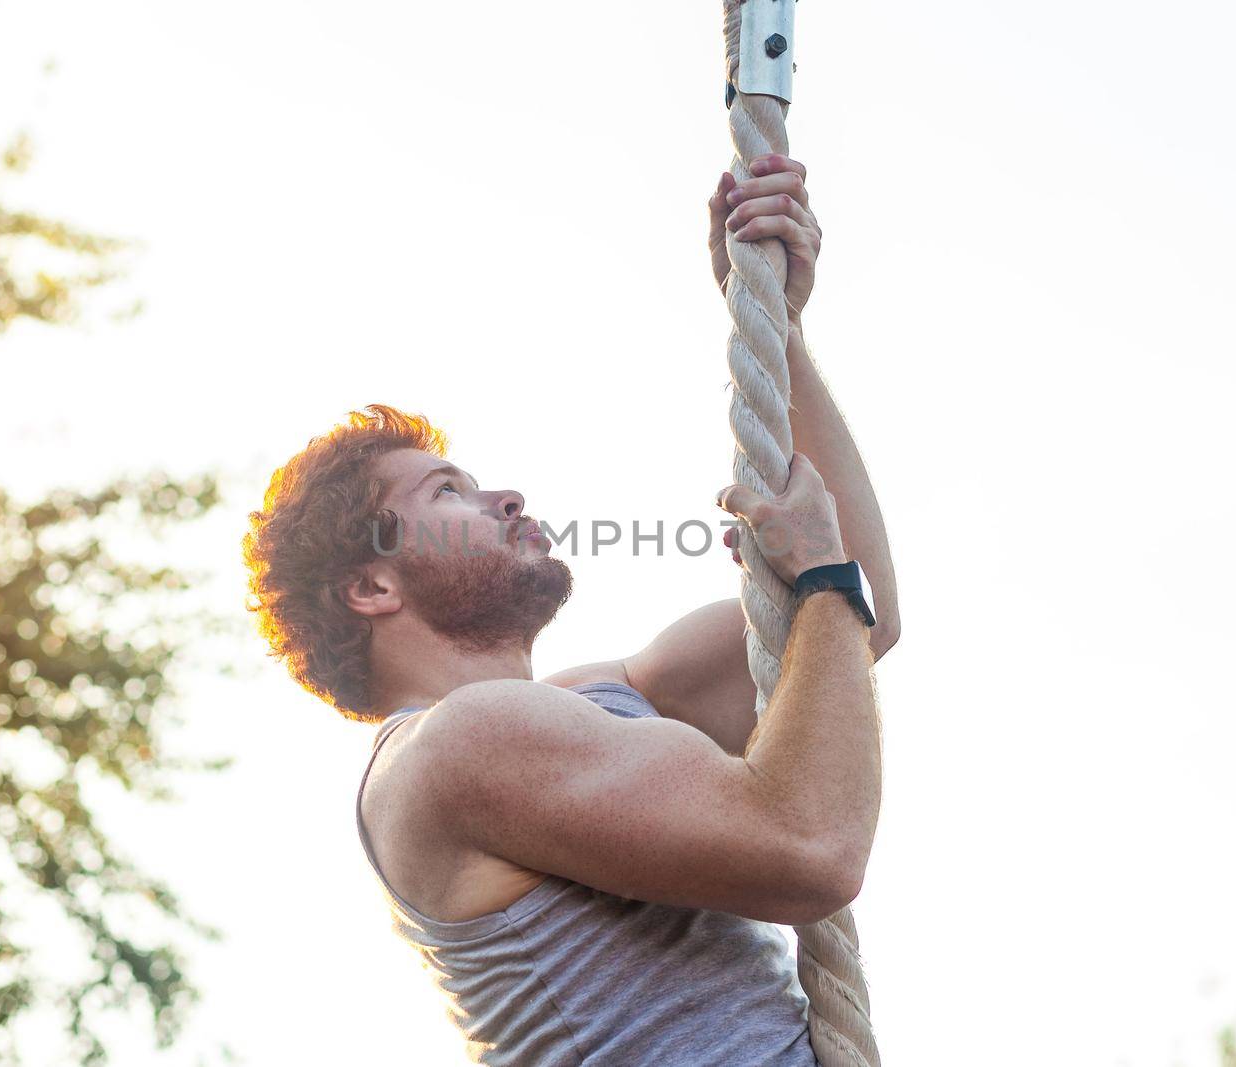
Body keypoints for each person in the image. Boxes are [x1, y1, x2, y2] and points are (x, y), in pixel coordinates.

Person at [242, 154, 899, 1065]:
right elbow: (810, 850)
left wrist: (778, 332)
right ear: (372, 586)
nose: (506, 497)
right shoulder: (452, 748)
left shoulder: (604, 697)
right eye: (448, 493)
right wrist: (820, 578)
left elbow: (858, 618)